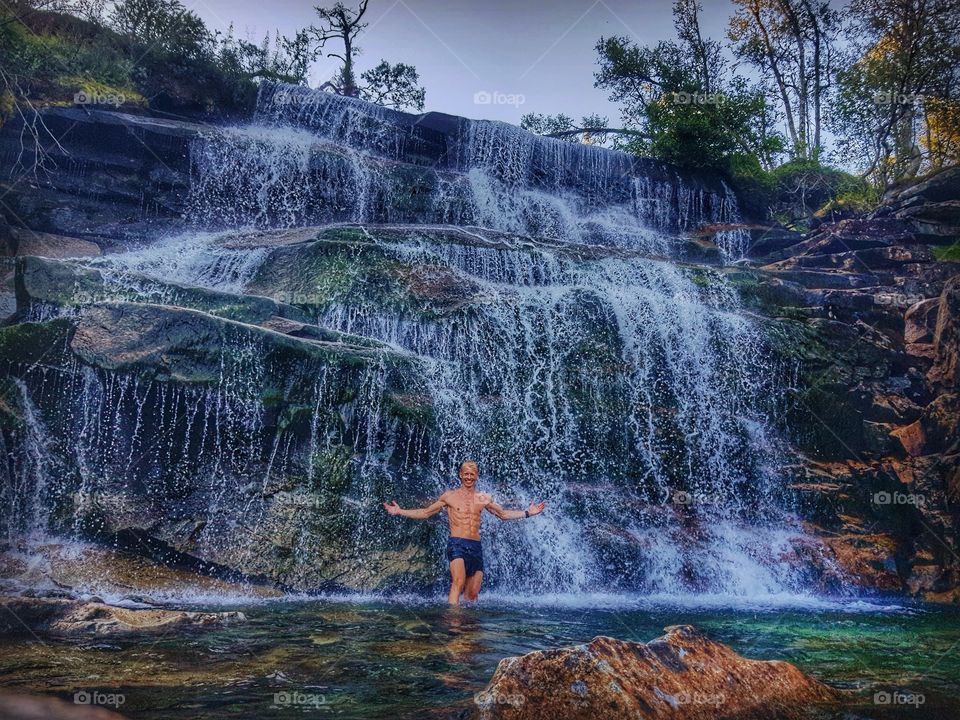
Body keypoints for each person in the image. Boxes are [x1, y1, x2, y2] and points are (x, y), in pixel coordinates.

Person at [383, 460, 545, 605]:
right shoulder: (449, 496)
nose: (468, 477)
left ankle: (467, 626)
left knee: (472, 594)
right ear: (460, 475)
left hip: (475, 546)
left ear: (477, 476)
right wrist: (400, 512)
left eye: (472, 474)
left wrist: (527, 513)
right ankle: (453, 622)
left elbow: (503, 514)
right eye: (466, 474)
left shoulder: (483, 498)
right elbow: (426, 512)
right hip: (457, 544)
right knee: (458, 582)